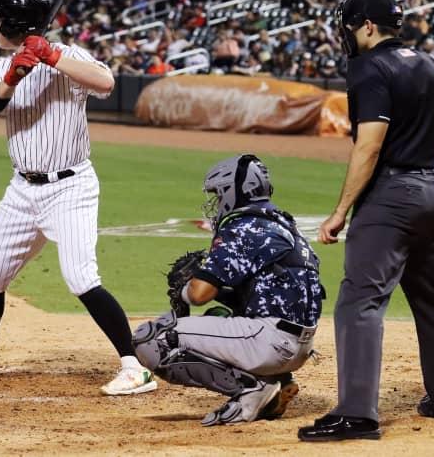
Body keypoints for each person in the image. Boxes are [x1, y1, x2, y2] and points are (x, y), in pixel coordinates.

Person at [0, 0, 157, 396]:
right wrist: (11, 78)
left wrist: (52, 56)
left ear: (15, 25)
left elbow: (106, 81)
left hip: (70, 187)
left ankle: (134, 367)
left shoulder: (69, 57)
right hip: (22, 190)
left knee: (81, 277)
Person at [299, 0, 434, 442]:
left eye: (351, 27)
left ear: (368, 26)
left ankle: (357, 414)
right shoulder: (431, 64)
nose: (349, 36)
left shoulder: (368, 66)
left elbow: (369, 145)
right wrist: (432, 186)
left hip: (392, 196)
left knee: (359, 301)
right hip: (433, 189)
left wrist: (340, 211)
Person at [132, 154, 324, 426]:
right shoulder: (284, 224)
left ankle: (251, 388)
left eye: (219, 195)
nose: (217, 203)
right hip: (299, 347)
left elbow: (198, 294)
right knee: (220, 313)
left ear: (234, 192)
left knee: (152, 340)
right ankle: (275, 380)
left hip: (269, 343)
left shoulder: (242, 226)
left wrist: (183, 290)